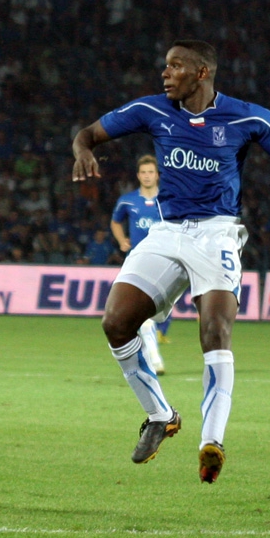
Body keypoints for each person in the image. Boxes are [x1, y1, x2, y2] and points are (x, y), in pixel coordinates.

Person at [72, 40, 270, 483]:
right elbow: (87, 133)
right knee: (116, 322)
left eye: (175, 66)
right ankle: (160, 415)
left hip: (217, 233)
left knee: (215, 331)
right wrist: (83, 150)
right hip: (167, 232)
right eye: (165, 66)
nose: (165, 73)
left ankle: (211, 442)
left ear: (201, 73)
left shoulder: (247, 117)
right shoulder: (152, 109)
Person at [110, 154, 167, 374]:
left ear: (157, 175)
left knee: (155, 312)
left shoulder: (168, 199)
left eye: (150, 172)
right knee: (142, 312)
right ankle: (154, 357)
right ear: (138, 175)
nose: (147, 176)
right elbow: (116, 221)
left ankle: (152, 350)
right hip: (137, 261)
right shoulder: (128, 200)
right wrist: (121, 240)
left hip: (164, 259)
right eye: (143, 172)